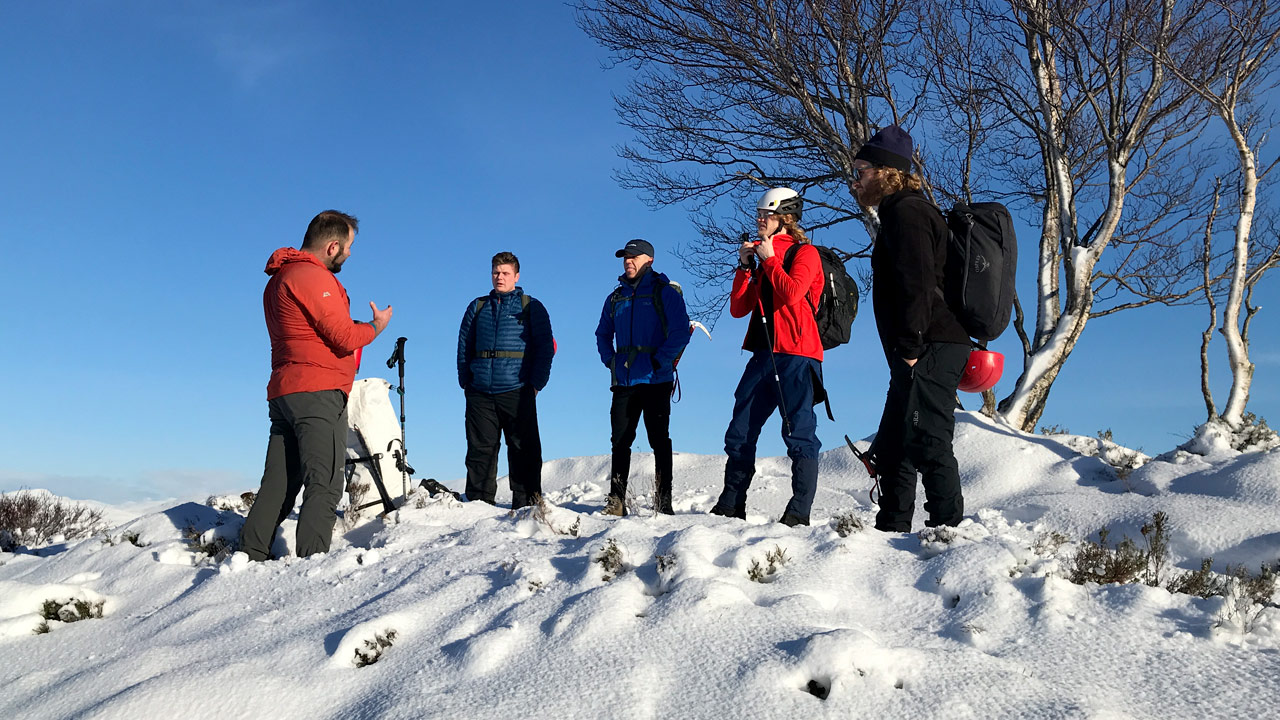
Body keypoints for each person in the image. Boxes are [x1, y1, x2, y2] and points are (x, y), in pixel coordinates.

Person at [241, 210, 392, 561]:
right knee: (324, 482)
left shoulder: (279, 279)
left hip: (284, 390)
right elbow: (343, 337)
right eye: (349, 246)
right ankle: (313, 562)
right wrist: (375, 327)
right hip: (317, 392)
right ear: (333, 245)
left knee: (281, 482)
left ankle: (250, 553)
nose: (350, 254)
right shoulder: (312, 276)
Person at [855, 125, 970, 532]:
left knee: (929, 440)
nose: (858, 178)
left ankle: (948, 535)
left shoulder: (909, 212)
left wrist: (909, 346)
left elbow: (918, 282)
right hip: (920, 345)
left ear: (888, 171)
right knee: (897, 444)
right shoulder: (899, 213)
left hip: (929, 344)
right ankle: (892, 532)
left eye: (863, 169)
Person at [709, 188, 826, 527]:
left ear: (785, 218)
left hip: (797, 355)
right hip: (762, 353)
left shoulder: (806, 254)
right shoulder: (761, 257)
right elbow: (738, 309)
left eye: (767, 215)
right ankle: (731, 504)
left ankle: (798, 512)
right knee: (740, 431)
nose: (759, 219)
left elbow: (792, 294)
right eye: (759, 213)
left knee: (798, 432)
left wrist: (771, 259)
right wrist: (746, 268)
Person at [594, 239, 691, 516]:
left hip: (656, 380)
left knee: (659, 440)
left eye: (634, 256)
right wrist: (609, 360)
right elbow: (602, 333)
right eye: (625, 256)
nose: (628, 260)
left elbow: (680, 332)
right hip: (624, 381)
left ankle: (663, 501)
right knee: (620, 441)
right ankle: (616, 501)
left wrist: (660, 360)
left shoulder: (664, 293)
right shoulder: (615, 297)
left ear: (649, 259)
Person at [457, 252, 554, 509]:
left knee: (524, 449)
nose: (499, 277)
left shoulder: (531, 306)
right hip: (479, 391)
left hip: (517, 389)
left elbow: (545, 347)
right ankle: (478, 503)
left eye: (505, 273)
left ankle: (527, 505)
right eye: (496, 273)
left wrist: (536, 384)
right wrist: (465, 381)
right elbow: (464, 344)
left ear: (516, 276)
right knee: (480, 450)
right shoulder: (477, 307)